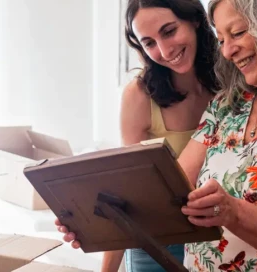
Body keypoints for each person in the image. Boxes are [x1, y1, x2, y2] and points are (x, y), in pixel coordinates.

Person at [55, 0, 257, 271]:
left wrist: (233, 212)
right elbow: (168, 188)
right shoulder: (231, 103)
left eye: (237, 33)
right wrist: (94, 220)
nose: (226, 52)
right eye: (222, 39)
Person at [66, 0, 220, 271]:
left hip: (221, 239)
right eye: (149, 43)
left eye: (169, 31)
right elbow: (128, 194)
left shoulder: (231, 83)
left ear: (195, 20)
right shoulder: (139, 96)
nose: (164, 50)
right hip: (155, 242)